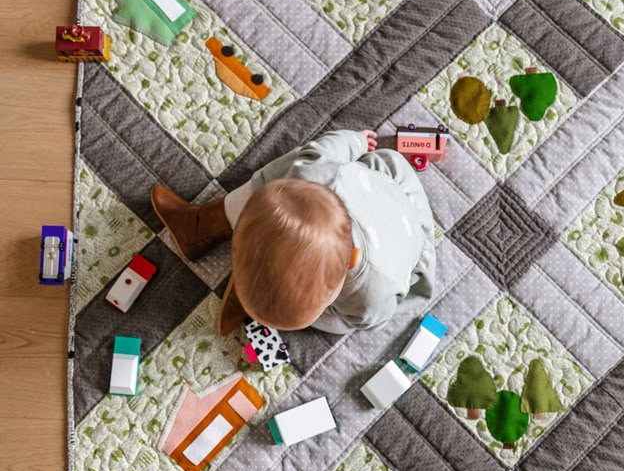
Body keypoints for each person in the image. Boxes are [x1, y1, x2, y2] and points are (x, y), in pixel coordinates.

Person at [151, 128, 436, 336]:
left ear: (352, 261)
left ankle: (256, 290)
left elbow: (377, 319)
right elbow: (326, 148)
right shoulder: (312, 173)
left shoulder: (369, 296)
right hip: (362, 184)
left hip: (404, 209)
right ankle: (201, 225)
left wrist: (361, 142)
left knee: (336, 323)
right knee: (278, 194)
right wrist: (355, 139)